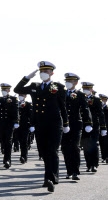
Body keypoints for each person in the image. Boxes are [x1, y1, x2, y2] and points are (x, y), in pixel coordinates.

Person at [14, 61, 69, 193]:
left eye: (46, 71)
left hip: (54, 124)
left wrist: (66, 123)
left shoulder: (59, 87)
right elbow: (17, 90)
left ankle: (52, 178)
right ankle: (47, 177)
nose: (43, 73)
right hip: (40, 123)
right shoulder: (35, 86)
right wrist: (27, 78)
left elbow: (63, 107)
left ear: (52, 73)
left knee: (52, 150)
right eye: (41, 71)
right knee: (44, 151)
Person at [60, 73, 92, 180]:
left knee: (74, 147)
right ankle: (69, 171)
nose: (68, 83)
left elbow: (85, 109)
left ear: (76, 83)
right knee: (65, 148)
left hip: (76, 124)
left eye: (71, 81)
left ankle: (75, 171)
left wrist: (88, 123)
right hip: (63, 125)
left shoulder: (80, 95)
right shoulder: (61, 94)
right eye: (67, 81)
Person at [80, 82, 107, 173]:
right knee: (86, 146)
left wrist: (103, 127)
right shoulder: (80, 98)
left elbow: (101, 114)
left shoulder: (96, 100)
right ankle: (88, 165)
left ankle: (94, 164)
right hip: (83, 125)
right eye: (84, 88)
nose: (85, 90)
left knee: (94, 145)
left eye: (87, 88)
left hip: (95, 126)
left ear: (91, 89)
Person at [0, 83, 19, 169]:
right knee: (2, 139)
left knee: (8, 140)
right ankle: (4, 149)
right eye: (2, 90)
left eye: (5, 90)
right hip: (0, 123)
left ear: (9, 90)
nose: (4, 91)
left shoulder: (13, 99)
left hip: (9, 123)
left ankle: (7, 160)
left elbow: (16, 110)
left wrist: (16, 121)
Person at [16, 94, 33, 164]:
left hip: (25, 125)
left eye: (22, 95)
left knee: (24, 141)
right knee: (18, 141)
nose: (20, 96)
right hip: (16, 126)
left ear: (25, 96)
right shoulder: (15, 103)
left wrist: (32, 125)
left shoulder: (28, 104)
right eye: (20, 95)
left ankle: (23, 157)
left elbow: (31, 115)